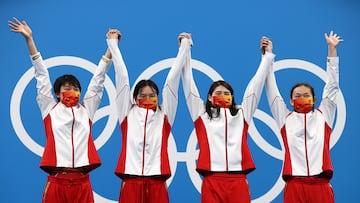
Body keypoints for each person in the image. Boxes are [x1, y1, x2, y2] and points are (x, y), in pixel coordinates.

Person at [8, 17, 113, 203]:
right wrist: (29, 39)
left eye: (75, 88)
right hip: (56, 182)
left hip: (82, 183)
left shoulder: (86, 110)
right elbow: (41, 73)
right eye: (66, 88)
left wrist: (111, 47)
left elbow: (98, 80)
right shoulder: (49, 108)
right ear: (57, 93)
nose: (71, 91)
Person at [181, 36, 275, 203]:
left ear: (232, 97)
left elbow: (257, 84)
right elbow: (188, 84)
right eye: (218, 93)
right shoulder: (201, 115)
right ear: (209, 98)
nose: (222, 96)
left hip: (238, 181)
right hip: (211, 180)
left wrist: (267, 57)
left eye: (227, 93)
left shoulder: (242, 114)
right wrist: (185, 50)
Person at [106, 30, 192, 203]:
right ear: (135, 97)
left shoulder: (165, 115)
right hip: (130, 181)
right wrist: (112, 44)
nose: (147, 98)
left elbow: (172, 81)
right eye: (143, 95)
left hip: (157, 182)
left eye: (152, 95)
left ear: (158, 97)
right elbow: (121, 76)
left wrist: (184, 47)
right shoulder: (126, 113)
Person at [264, 31, 343, 203]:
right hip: (294, 185)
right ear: (291, 101)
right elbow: (271, 90)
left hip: (321, 185)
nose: (302, 98)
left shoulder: (324, 115)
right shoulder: (285, 118)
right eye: (297, 96)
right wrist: (267, 58)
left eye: (306, 95)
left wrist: (331, 50)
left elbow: (332, 86)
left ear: (314, 99)